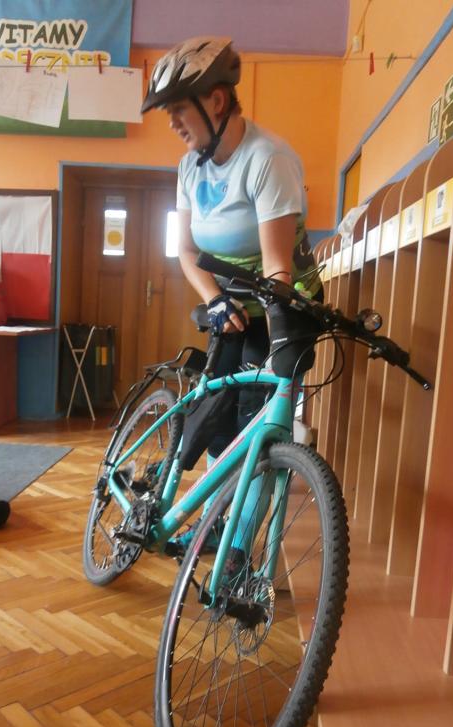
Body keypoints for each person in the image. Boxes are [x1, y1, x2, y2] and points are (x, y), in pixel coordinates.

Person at [141, 35, 322, 554]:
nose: (172, 124)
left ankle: (237, 549)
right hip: (230, 307)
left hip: (279, 303)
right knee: (217, 415)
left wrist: (269, 327)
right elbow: (186, 251)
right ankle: (211, 520)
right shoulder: (189, 166)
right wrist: (215, 299)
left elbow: (277, 266)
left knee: (257, 426)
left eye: (179, 110)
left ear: (216, 101)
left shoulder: (268, 159)